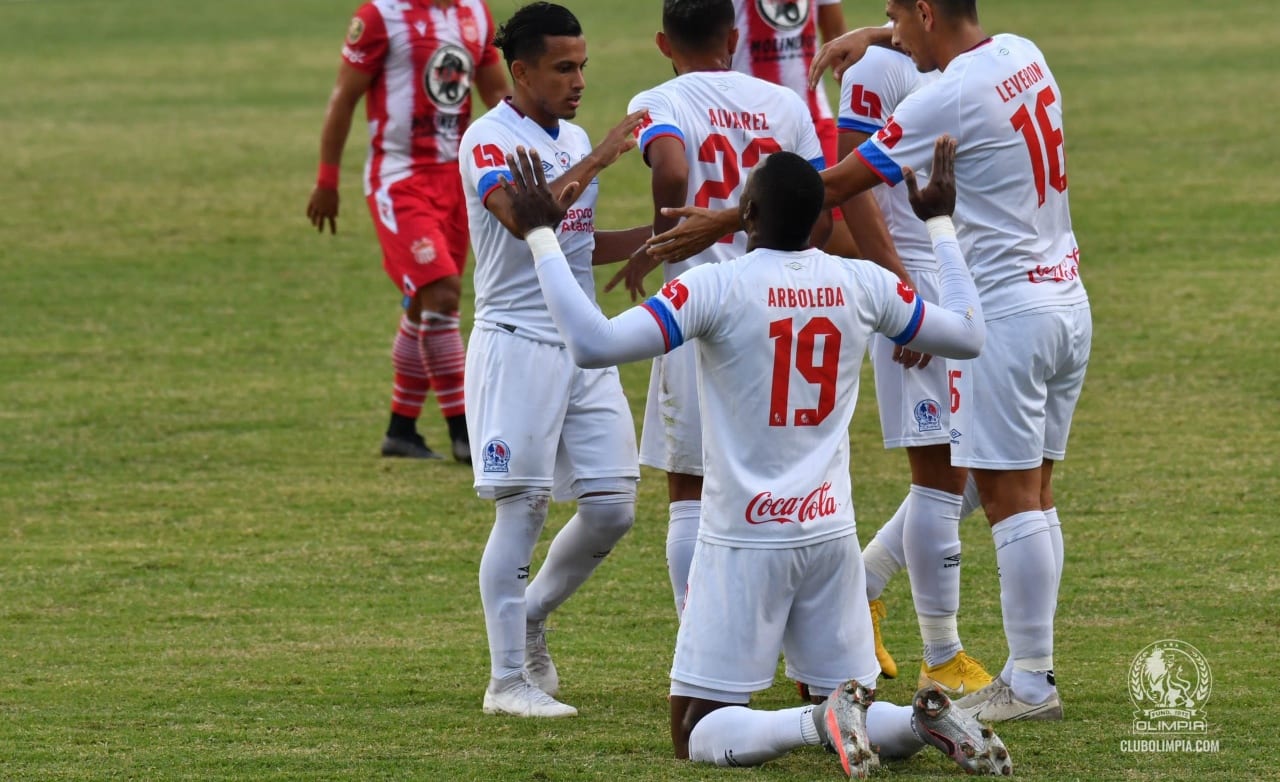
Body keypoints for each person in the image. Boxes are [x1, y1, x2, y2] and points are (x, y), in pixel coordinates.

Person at [502, 141, 1012, 776]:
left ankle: (813, 723)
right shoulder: (862, 283)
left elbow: (591, 342)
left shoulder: (713, 287)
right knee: (858, 702)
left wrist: (543, 237)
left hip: (744, 537)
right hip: (830, 536)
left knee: (694, 733)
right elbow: (967, 334)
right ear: (820, 221)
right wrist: (939, 223)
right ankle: (924, 718)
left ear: (746, 214)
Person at [648, 0, 1092, 723]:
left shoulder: (944, 94)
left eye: (892, 15)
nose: (888, 29)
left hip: (1004, 312)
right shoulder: (1023, 52)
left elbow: (831, 185)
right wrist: (878, 35)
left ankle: (1032, 681)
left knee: (1010, 499)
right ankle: (1025, 665)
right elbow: (943, 29)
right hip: (1066, 298)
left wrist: (730, 217)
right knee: (1035, 491)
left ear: (922, 12)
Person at [459, 1, 651, 718]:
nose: (577, 81)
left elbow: (573, 240)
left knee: (612, 507)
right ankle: (506, 681)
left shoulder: (568, 135)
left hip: (583, 340)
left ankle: (531, 613)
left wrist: (652, 239)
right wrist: (600, 156)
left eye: (583, 66)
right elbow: (524, 220)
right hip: (517, 343)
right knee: (526, 506)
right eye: (563, 67)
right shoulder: (488, 139)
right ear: (521, 70)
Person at [607, 0, 828, 619]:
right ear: (733, 38)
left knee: (691, 489)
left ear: (662, 43)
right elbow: (823, 216)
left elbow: (672, 165)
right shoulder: (785, 105)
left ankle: (699, 637)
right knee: (791, 482)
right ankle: (803, 651)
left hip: (700, 310)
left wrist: (662, 240)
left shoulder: (660, 98)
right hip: (784, 309)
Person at [834, 29, 992, 696]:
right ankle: (942, 655)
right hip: (917, 278)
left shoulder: (956, 60)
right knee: (942, 476)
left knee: (990, 466)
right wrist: (903, 295)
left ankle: (862, 586)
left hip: (963, 274)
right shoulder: (872, 68)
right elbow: (850, 183)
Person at [307, 0, 510, 463]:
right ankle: (465, 433)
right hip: (399, 179)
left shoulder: (475, 12)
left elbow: (497, 95)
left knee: (425, 304)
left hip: (457, 179)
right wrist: (326, 179)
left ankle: (401, 428)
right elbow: (344, 96)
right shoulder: (381, 16)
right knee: (442, 291)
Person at [728, 0, 861, 258]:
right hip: (749, 126)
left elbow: (835, 32)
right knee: (756, 233)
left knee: (845, 243)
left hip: (814, 118)